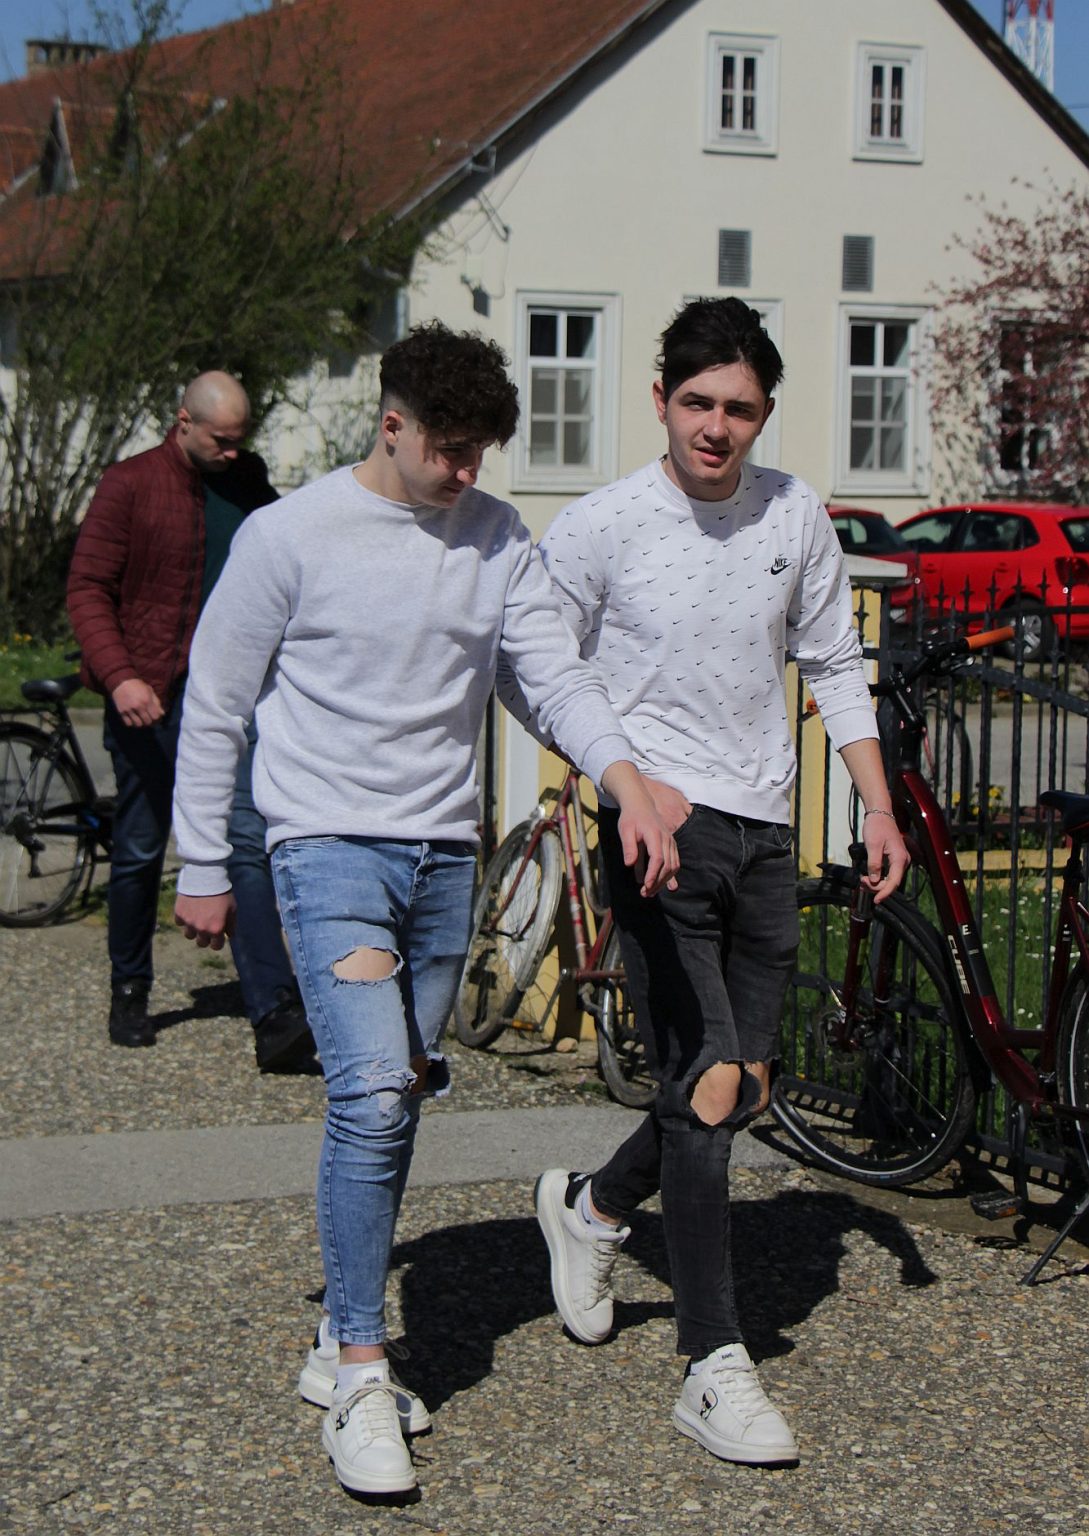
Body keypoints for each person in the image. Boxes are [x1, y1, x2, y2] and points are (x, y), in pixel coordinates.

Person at [169, 322, 679, 1498]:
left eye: (481, 451)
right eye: (449, 449)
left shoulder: (496, 537)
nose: (466, 471)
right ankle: (360, 1368)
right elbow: (218, 699)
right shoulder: (289, 536)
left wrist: (626, 778)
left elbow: (548, 673)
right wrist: (201, 860)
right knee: (375, 1091)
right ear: (391, 424)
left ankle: (335, 1336)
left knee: (396, 1103)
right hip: (325, 849)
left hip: (445, 859)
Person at [529, 297, 910, 1467]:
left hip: (765, 833)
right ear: (661, 400)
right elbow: (536, 663)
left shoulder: (794, 512)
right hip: (659, 832)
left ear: (764, 413)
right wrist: (622, 777)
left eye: (739, 408)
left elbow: (834, 660)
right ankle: (712, 1363)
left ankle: (593, 1208)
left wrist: (877, 805)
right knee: (704, 1086)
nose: (715, 426)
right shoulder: (605, 524)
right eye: (696, 402)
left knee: (746, 1084)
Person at [66, 371, 313, 1069]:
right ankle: (130, 989)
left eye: (240, 440)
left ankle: (274, 1011)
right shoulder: (129, 485)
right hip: (149, 699)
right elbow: (87, 588)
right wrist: (120, 677)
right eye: (220, 441)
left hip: (232, 697)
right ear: (184, 422)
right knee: (141, 848)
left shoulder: (249, 483)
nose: (233, 452)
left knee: (244, 841)